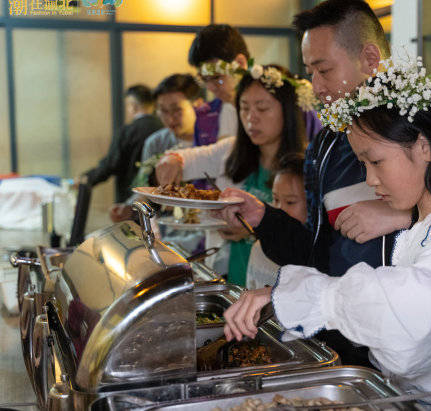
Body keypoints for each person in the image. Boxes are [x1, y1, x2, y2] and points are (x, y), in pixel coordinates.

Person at [211, 0, 431, 366]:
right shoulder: (325, 143)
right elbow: (318, 252)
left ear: (371, 58)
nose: (316, 86)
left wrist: (410, 214)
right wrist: (263, 219)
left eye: (323, 70)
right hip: (345, 350)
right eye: (309, 71)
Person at [155, 65, 309, 286]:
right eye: (244, 108)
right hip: (235, 277)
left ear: (287, 110)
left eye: (262, 108)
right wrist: (172, 160)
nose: (251, 118)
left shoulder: (305, 164)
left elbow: (306, 237)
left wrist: (251, 232)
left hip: (280, 285)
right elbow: (187, 157)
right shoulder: (231, 151)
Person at [109, 74, 201, 223]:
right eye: (163, 111)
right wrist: (129, 207)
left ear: (197, 104)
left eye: (176, 110)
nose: (170, 119)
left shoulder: (212, 141)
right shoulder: (155, 143)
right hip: (167, 226)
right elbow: (145, 187)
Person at [78, 85, 162, 203]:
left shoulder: (127, 132)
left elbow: (112, 163)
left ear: (133, 106)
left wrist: (87, 178)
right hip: (161, 198)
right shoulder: (164, 130)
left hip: (131, 199)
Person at [246, 153, 306, 290]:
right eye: (276, 200)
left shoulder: (320, 257)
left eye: (290, 202)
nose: (279, 209)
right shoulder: (259, 248)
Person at [188, 24, 247, 146]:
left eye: (216, 77)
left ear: (240, 64)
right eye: (204, 79)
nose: (210, 87)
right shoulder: (205, 114)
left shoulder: (270, 108)